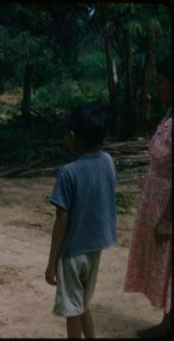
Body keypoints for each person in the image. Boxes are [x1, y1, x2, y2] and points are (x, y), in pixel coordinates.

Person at [45, 106, 117, 338]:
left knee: (72, 311)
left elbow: (62, 221)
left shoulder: (68, 173)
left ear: (73, 136)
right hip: (96, 247)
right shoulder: (108, 161)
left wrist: (51, 262)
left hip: (72, 252)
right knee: (83, 302)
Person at [124, 55, 172, 338]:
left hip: (167, 206)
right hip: (157, 201)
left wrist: (167, 217)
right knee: (166, 266)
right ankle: (169, 322)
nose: (158, 87)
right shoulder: (169, 115)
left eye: (162, 82)